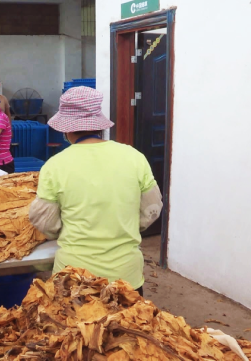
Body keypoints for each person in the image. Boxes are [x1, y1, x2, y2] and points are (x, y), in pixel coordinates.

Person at [28, 87, 163, 296]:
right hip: (126, 277)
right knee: (125, 326)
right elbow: (152, 209)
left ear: (66, 129)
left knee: (75, 328)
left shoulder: (55, 166)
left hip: (73, 278)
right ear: (99, 125)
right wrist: (124, 226)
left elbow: (46, 223)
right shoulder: (134, 157)